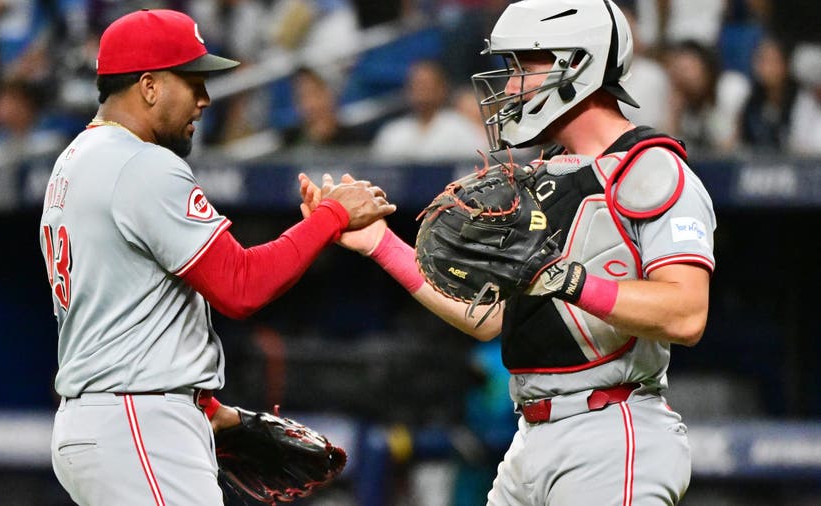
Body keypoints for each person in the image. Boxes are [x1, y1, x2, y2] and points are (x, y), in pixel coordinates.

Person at [301, 1, 715, 504]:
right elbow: (489, 318)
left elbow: (687, 313)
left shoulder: (651, 169)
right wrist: (380, 244)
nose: (511, 84)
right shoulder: (545, 174)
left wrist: (565, 278)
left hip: (611, 429)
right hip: (533, 437)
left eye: (524, 66)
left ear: (577, 64)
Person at [39, 9, 394, 506]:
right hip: (138, 422)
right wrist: (330, 217)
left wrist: (207, 408)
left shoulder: (75, 160)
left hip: (107, 418)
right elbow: (240, 286)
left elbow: (136, 314)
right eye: (194, 81)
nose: (206, 99)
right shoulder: (140, 163)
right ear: (149, 86)